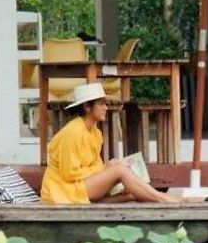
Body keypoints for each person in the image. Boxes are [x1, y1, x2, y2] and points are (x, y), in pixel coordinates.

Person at [41, 83, 199, 204]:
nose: (105, 108)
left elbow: (92, 167)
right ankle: (164, 199)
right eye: (101, 103)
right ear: (87, 106)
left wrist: (105, 168)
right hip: (64, 192)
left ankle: (162, 198)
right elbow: (70, 173)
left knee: (131, 192)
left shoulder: (95, 133)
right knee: (119, 170)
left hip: (81, 187)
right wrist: (106, 170)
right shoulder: (73, 131)